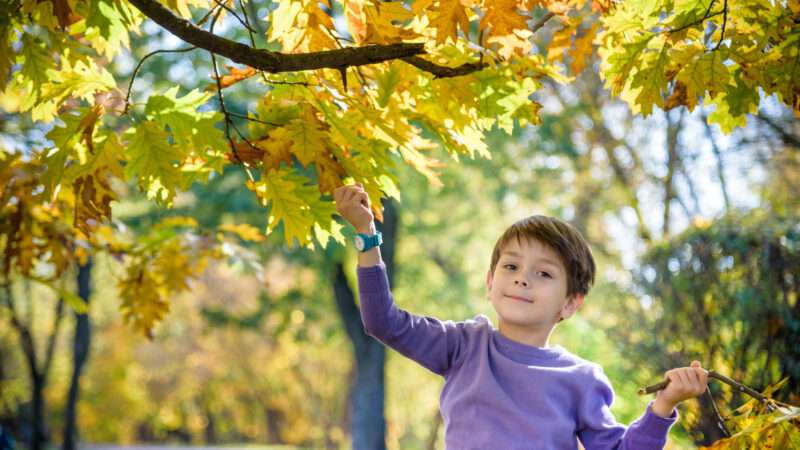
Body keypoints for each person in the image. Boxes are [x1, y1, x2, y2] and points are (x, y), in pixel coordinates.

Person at [333, 182, 709, 449]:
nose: (522, 279)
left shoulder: (580, 379)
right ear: (490, 281)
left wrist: (664, 405)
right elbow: (383, 321)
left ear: (570, 303)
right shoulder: (463, 346)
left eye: (543, 273)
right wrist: (367, 234)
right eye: (511, 266)